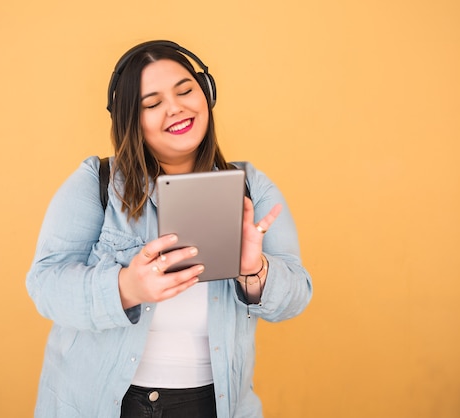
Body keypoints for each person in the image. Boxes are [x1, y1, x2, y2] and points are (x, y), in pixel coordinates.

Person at [26, 40, 312, 418]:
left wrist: (253, 270)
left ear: (206, 94)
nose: (175, 108)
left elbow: (295, 298)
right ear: (131, 119)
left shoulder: (250, 187)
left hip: (212, 406)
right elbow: (45, 285)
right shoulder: (96, 183)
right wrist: (126, 287)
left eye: (185, 91)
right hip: (104, 405)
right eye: (152, 103)